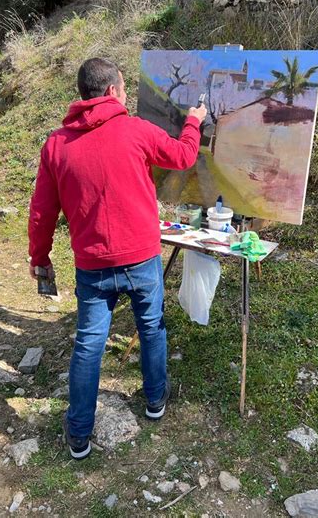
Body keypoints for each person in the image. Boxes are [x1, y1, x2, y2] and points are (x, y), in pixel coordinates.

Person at [28, 57, 207, 459]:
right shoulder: (136, 130)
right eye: (124, 89)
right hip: (143, 258)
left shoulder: (56, 145)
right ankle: (155, 402)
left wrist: (40, 257)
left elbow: (41, 212)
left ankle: (78, 435)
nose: (126, 96)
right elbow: (182, 157)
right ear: (111, 92)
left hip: (92, 265)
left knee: (89, 345)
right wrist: (194, 120)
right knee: (152, 330)